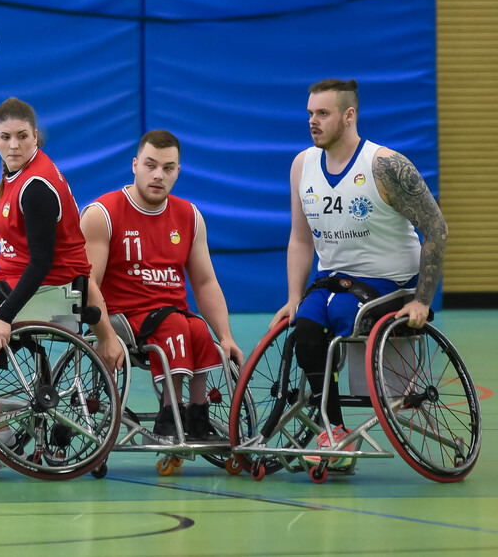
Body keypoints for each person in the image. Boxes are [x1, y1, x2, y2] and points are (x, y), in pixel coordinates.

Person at [0, 97, 124, 471]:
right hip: (17, 279)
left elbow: (42, 262)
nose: (14, 144)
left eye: (22, 136)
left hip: (48, 288)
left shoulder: (36, 186)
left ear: (36, 136)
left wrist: (3, 316)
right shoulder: (15, 174)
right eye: (6, 137)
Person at [269, 78, 447, 460]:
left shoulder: (385, 165)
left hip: (389, 283)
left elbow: (436, 228)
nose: (313, 121)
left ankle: (338, 427)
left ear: (349, 116)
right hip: (332, 280)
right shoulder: (302, 165)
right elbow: (300, 239)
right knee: (305, 326)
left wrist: (421, 300)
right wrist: (292, 297)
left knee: (341, 313)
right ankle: (332, 428)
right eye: (310, 113)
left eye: (323, 113)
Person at [80, 130, 244, 442]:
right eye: (150, 165)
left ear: (178, 172)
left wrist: (225, 336)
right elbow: (88, 282)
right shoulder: (103, 214)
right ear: (134, 165)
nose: (158, 175)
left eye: (168, 168)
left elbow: (206, 282)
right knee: (175, 326)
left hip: (171, 315)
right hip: (122, 316)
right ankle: (169, 416)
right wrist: (105, 335)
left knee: (196, 329)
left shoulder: (189, 216)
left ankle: (197, 415)